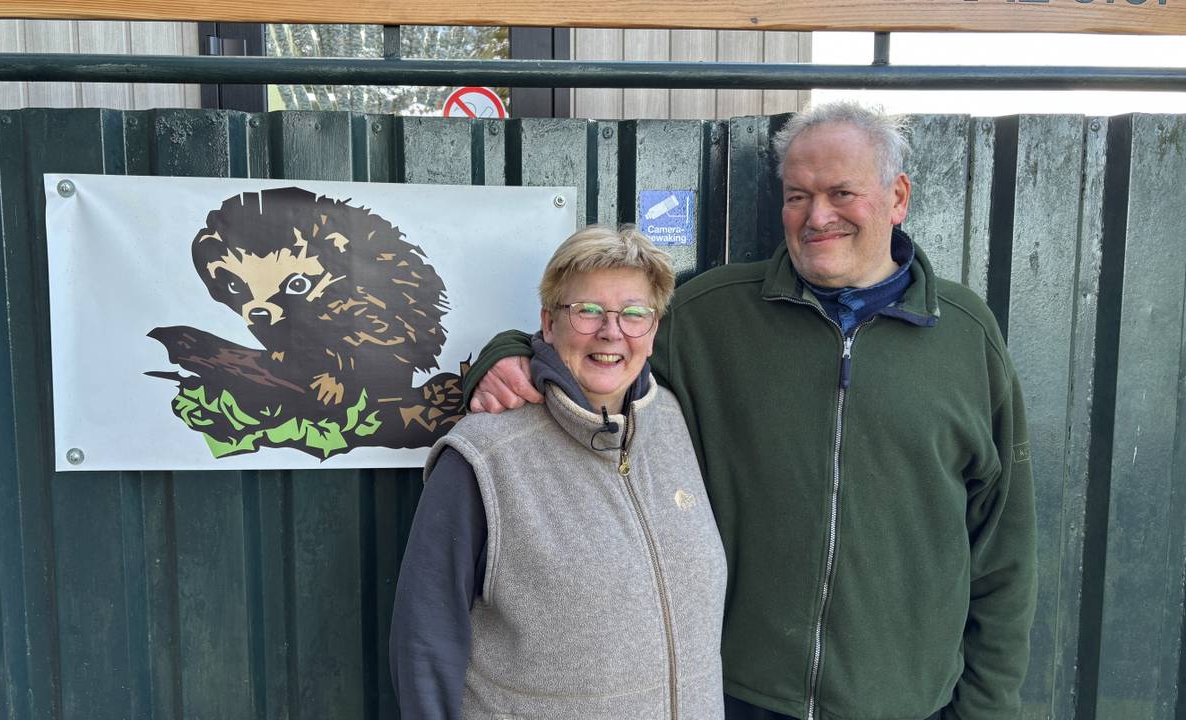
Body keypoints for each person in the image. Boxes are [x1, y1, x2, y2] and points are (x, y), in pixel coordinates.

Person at [463, 101, 1037, 720]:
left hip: (906, 701)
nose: (818, 216)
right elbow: (595, 343)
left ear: (897, 197)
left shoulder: (966, 334)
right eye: (797, 196)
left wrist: (987, 708)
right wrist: (502, 355)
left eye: (841, 193)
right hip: (737, 693)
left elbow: (1003, 546)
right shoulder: (711, 315)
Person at [390, 225, 728, 719]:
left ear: (653, 330)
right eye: (587, 310)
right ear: (548, 324)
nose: (611, 331)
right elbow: (425, 637)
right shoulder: (484, 454)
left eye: (634, 313)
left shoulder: (675, 420)